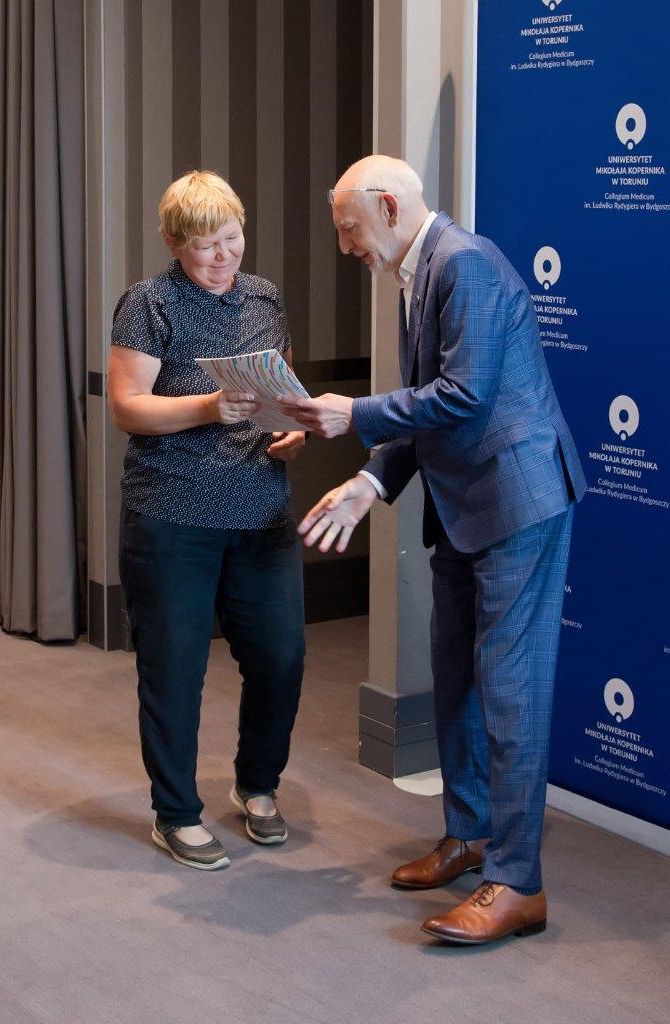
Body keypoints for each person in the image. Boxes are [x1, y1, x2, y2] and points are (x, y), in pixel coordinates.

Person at [281, 155, 586, 944]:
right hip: (464, 507)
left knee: (511, 691)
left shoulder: (465, 264)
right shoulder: (417, 274)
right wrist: (368, 484)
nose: (345, 246)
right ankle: (470, 836)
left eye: (349, 228)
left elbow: (464, 396)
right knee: (455, 678)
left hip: (516, 501)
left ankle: (517, 884)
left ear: (387, 207)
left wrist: (355, 413)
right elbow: (430, 412)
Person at [107, 170, 306, 870]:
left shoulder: (264, 297)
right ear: (173, 243)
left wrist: (293, 430)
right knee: (175, 668)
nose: (223, 256)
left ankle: (257, 785)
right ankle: (176, 814)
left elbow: (282, 389)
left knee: (281, 659)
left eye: (231, 239)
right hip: (172, 513)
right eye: (204, 245)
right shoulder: (149, 303)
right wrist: (206, 407)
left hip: (262, 512)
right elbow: (127, 407)